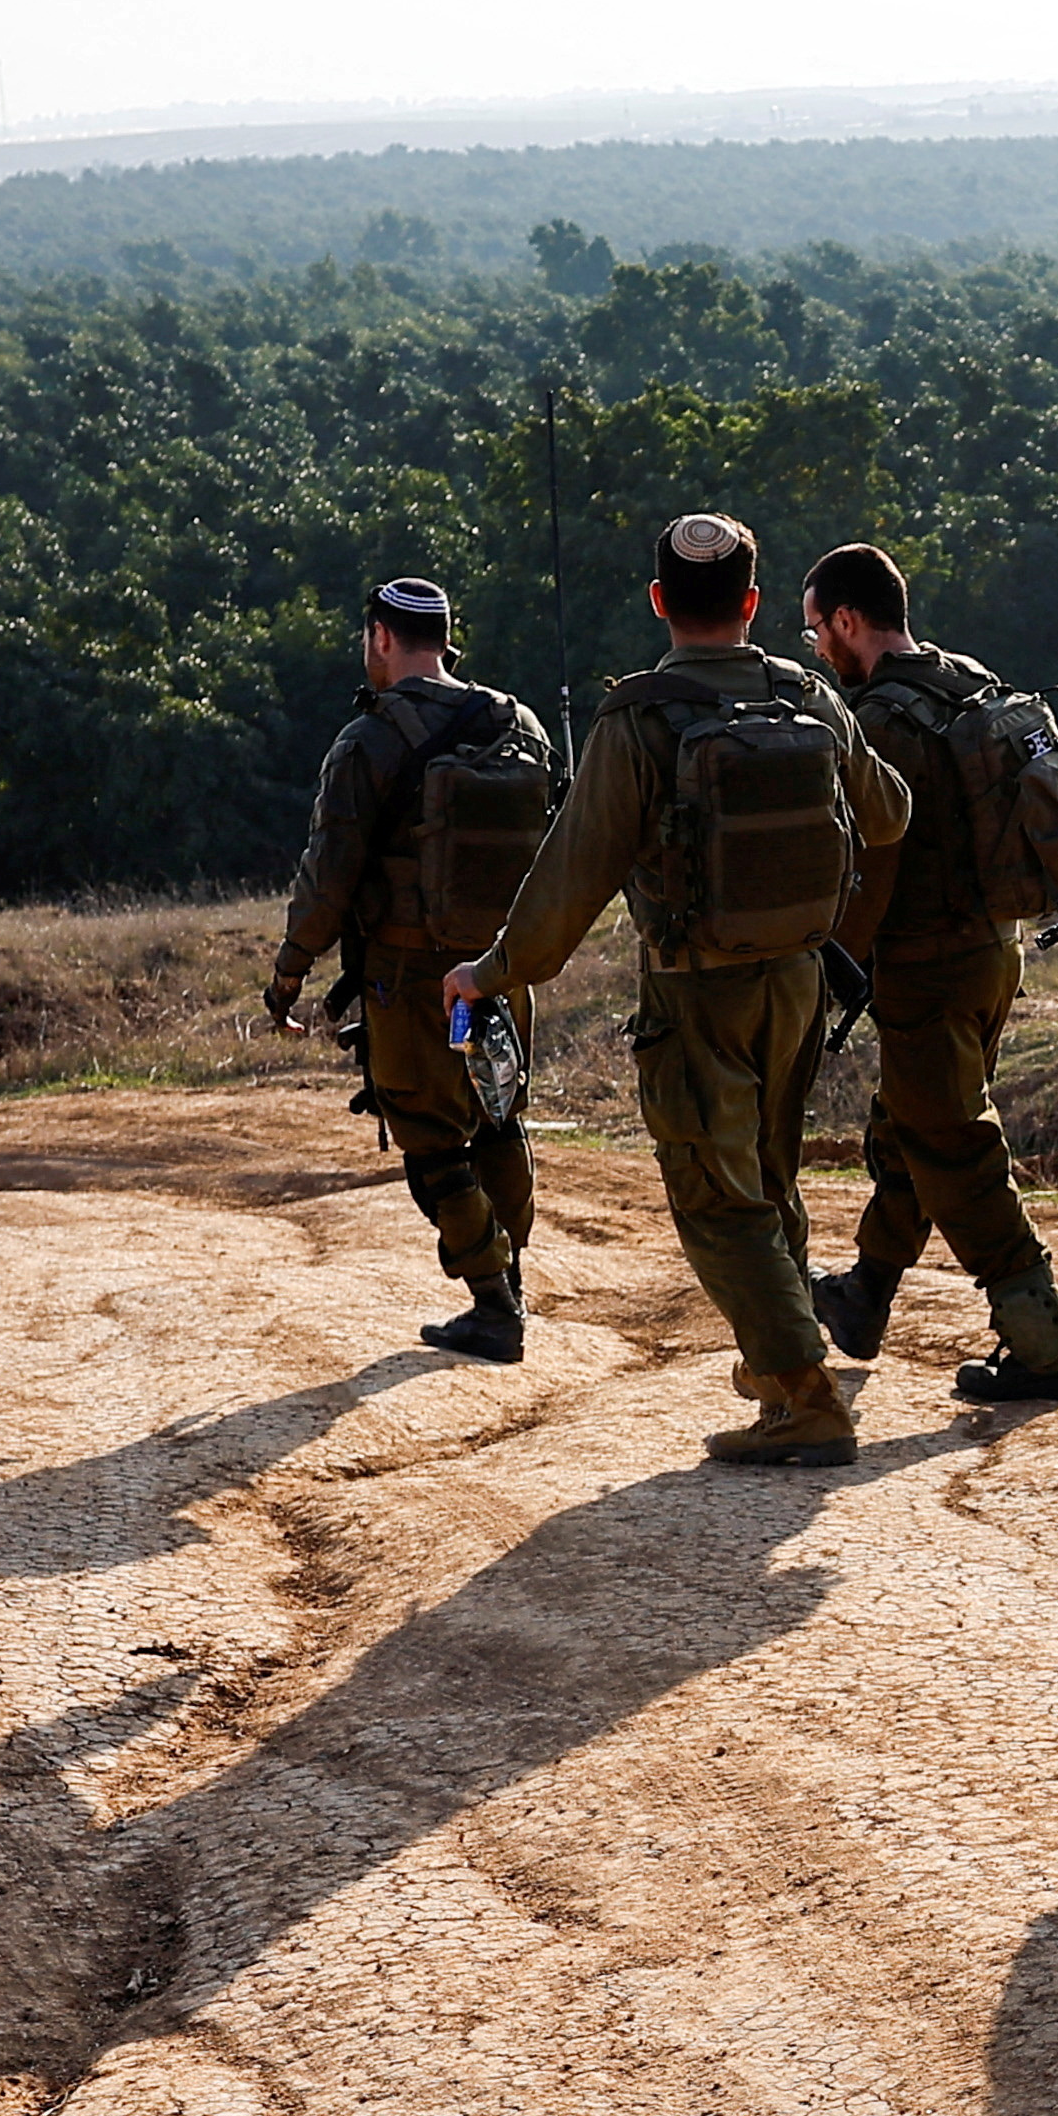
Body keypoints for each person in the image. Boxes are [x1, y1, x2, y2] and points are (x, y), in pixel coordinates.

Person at [451, 515, 912, 1465]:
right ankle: (779, 1373)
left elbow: (571, 875)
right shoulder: (808, 694)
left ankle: (807, 1394)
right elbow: (891, 810)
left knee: (714, 1197)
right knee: (767, 1181)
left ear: (660, 601)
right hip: (798, 982)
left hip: (698, 992)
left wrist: (492, 969)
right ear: (750, 605)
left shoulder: (641, 718)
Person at [792, 541, 1058, 1406]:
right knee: (909, 1130)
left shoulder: (881, 721)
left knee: (952, 1148)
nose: (818, 646)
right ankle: (865, 1297)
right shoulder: (965, 677)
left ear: (848, 620)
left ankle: (1045, 1345)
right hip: (993, 953)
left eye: (817, 628)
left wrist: (824, 968)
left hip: (928, 967)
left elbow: (869, 867)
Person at [265, 576, 554, 1361]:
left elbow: (328, 878)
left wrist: (290, 973)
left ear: (382, 639)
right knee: (499, 1117)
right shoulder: (518, 723)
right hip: (498, 971)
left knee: (430, 1141)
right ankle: (511, 1277)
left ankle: (494, 1305)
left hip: (411, 975)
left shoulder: (370, 740)